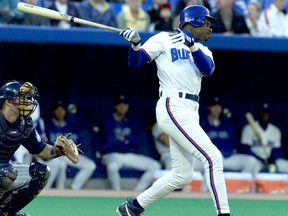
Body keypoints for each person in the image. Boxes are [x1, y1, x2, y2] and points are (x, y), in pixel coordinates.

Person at [117, 5, 231, 216]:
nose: (210, 29)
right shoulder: (164, 39)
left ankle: (133, 207)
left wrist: (192, 46)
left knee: (182, 175)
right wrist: (134, 45)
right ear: (193, 22)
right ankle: (224, 213)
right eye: (206, 23)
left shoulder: (204, 50)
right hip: (172, 104)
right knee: (213, 157)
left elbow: (207, 69)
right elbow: (136, 63)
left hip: (191, 108)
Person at [0, 80, 79, 216]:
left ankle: (7, 212)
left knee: (41, 172)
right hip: (4, 171)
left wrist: (59, 151)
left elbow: (41, 150)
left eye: (28, 98)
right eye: (22, 97)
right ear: (8, 101)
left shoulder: (25, 123)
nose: (28, 101)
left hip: (5, 170)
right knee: (6, 173)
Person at [100, 95, 161, 191]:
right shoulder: (107, 121)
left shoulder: (132, 122)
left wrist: (123, 141)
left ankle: (137, 192)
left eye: (125, 104)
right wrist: (127, 142)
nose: (122, 107)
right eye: (119, 104)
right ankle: (116, 192)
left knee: (155, 165)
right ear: (115, 106)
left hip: (128, 155)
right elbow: (108, 142)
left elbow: (136, 141)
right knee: (112, 167)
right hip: (111, 155)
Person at [38, 100, 96, 189]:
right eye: (57, 109)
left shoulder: (71, 127)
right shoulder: (48, 126)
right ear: (53, 111)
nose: (60, 112)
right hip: (56, 154)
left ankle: (73, 188)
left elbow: (79, 143)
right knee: (61, 165)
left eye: (62, 109)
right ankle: (52, 190)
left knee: (90, 165)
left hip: (69, 154)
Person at [199, 97, 260, 176]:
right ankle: (205, 188)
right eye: (214, 106)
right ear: (209, 107)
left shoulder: (227, 124)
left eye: (218, 106)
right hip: (210, 159)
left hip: (228, 158)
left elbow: (234, 142)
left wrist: (229, 152)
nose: (217, 108)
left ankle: (239, 186)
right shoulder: (203, 124)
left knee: (251, 161)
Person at [240, 103, 282, 173]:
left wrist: (272, 159)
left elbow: (276, 149)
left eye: (267, 112)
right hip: (255, 159)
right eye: (263, 112)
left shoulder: (276, 130)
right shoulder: (248, 128)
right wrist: (261, 159)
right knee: (252, 164)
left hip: (269, 160)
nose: (265, 114)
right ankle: (248, 184)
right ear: (259, 113)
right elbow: (245, 149)